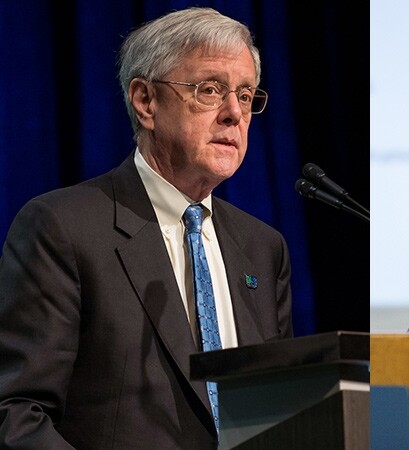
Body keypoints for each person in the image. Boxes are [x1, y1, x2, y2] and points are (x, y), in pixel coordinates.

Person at [0, 7, 293, 449]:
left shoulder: (263, 247)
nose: (235, 113)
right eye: (211, 89)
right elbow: (18, 410)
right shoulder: (62, 227)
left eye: (246, 94)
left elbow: (280, 409)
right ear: (146, 101)